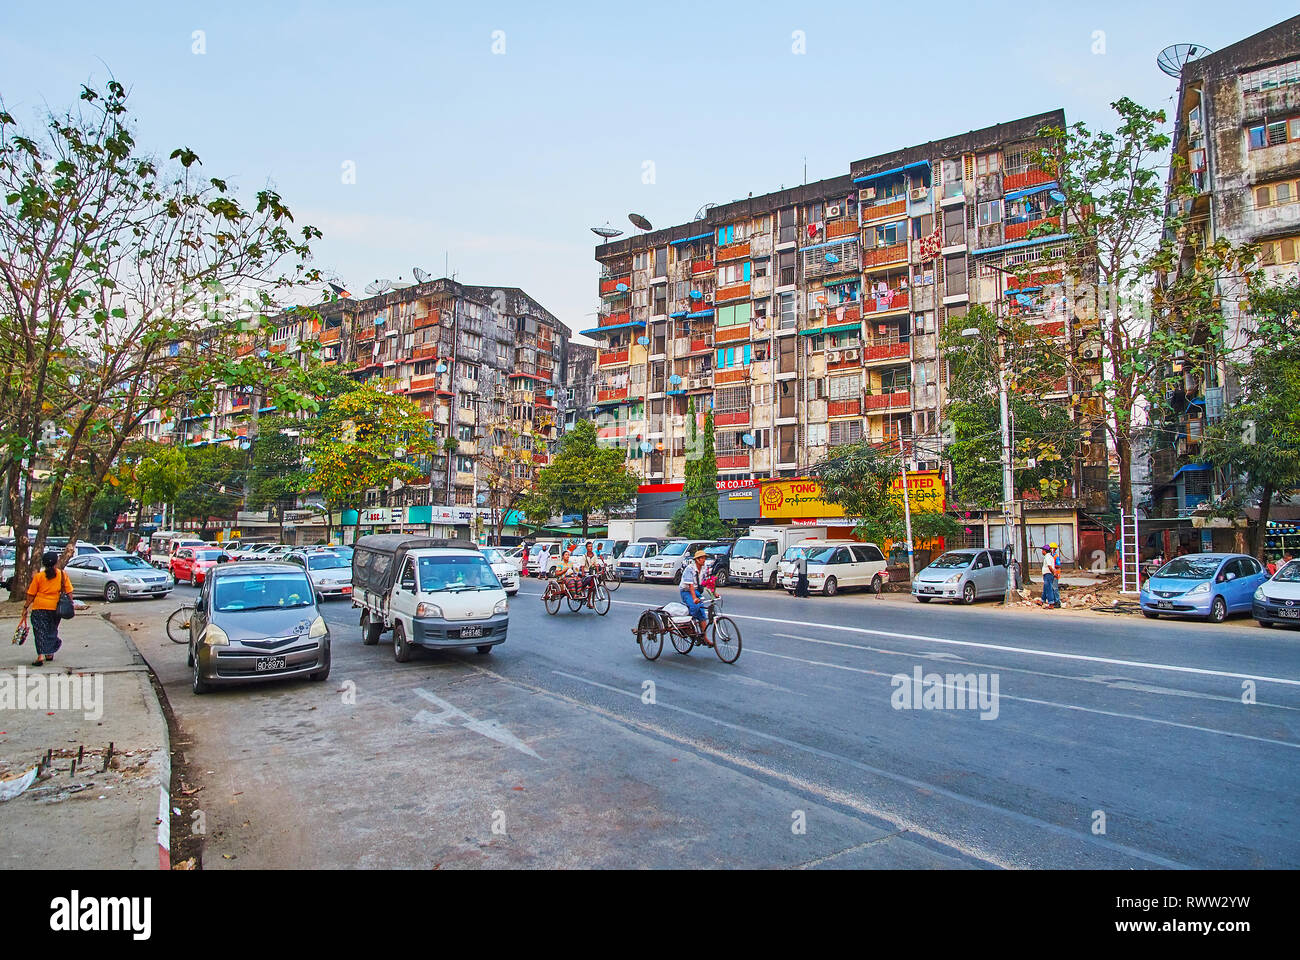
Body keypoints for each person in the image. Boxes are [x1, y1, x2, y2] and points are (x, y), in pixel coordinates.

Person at [20, 551, 73, 667]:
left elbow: (31, 594)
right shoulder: (62, 575)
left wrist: (25, 607)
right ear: (56, 562)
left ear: (43, 563)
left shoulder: (39, 577)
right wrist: (71, 604)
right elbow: (69, 591)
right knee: (52, 630)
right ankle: (49, 653)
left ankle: (40, 656)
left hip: (39, 608)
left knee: (40, 632)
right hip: (55, 608)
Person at [679, 550, 711, 639]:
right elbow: (690, 585)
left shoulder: (704, 568)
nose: (704, 560)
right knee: (695, 606)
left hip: (696, 591)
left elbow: (707, 582)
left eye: (705, 558)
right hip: (686, 591)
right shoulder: (690, 569)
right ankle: (685, 625)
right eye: (703, 558)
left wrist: (714, 593)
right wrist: (694, 598)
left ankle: (705, 638)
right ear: (697, 559)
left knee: (702, 612)